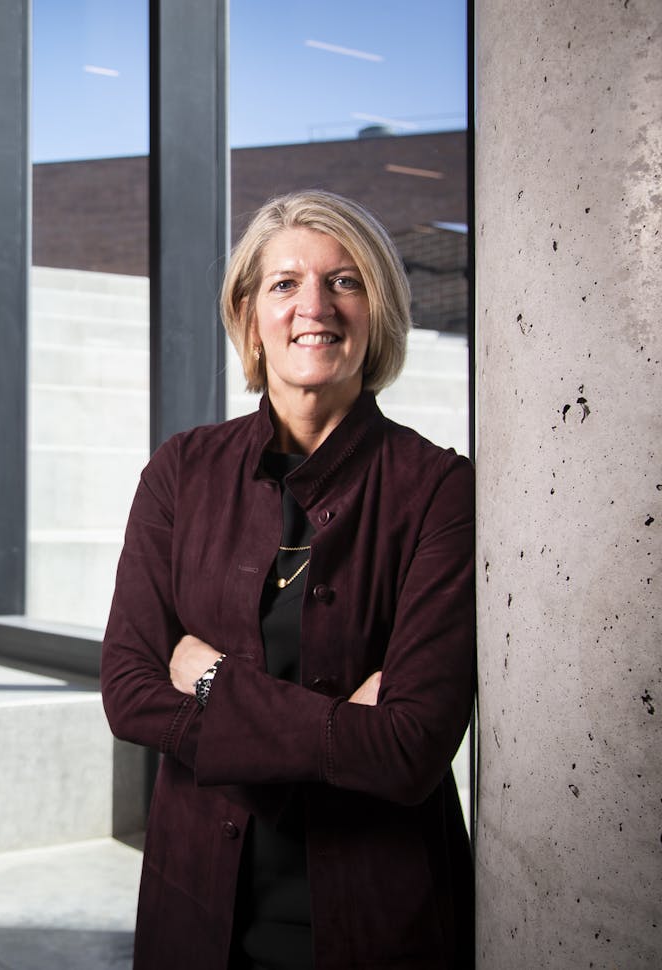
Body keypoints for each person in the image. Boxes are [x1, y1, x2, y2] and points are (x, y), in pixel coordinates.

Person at [101, 190, 475, 970]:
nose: (316, 306)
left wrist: (208, 681)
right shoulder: (181, 471)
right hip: (199, 905)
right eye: (285, 283)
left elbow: (410, 746)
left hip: (378, 912)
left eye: (345, 281)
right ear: (248, 312)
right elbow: (129, 691)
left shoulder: (439, 488)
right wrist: (341, 725)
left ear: (378, 310)